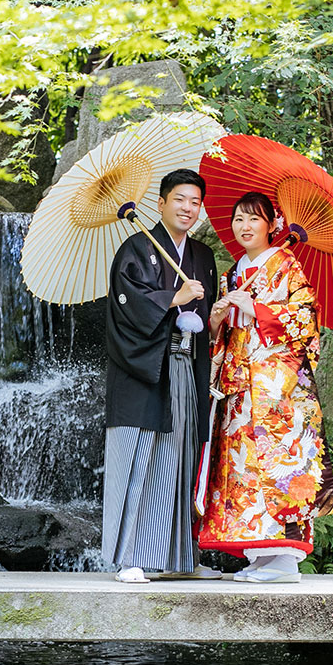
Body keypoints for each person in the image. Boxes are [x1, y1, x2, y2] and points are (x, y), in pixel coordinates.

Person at [197, 191, 333, 584]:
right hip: (238, 386)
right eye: (238, 219)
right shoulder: (233, 272)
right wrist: (218, 318)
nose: (244, 226)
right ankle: (260, 556)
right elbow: (220, 336)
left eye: (254, 219)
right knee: (243, 471)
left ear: (272, 225)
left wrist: (256, 309)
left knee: (277, 466)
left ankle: (284, 561)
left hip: (276, 390)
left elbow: (304, 321)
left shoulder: (286, 264)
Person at [102, 168, 221, 584]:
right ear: (161, 203)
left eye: (195, 202)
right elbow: (125, 310)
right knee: (139, 459)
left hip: (187, 369)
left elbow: (204, 320)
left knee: (182, 459)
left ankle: (180, 559)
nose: (188, 208)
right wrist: (173, 297)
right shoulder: (134, 249)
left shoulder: (203, 258)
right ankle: (127, 558)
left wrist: (215, 314)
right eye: (180, 200)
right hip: (145, 370)